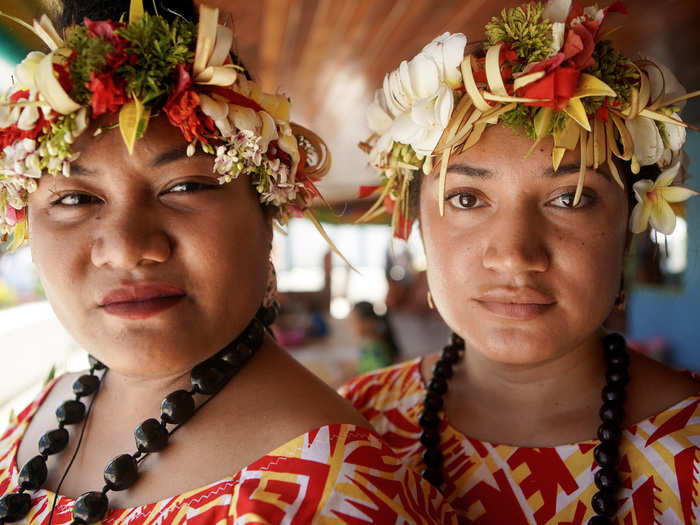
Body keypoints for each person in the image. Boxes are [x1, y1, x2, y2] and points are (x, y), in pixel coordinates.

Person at [0, 1, 458, 523]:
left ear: (268, 215)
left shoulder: (331, 492)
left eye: (186, 186)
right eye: (74, 199)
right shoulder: (37, 411)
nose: (127, 247)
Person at [341, 1, 700, 523]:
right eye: (466, 199)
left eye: (570, 199)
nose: (514, 255)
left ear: (629, 230)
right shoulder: (350, 431)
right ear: (417, 224)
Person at [350, 301, 399, 374]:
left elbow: (376, 377)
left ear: (368, 322)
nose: (351, 326)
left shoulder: (377, 350)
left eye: (354, 321)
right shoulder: (368, 347)